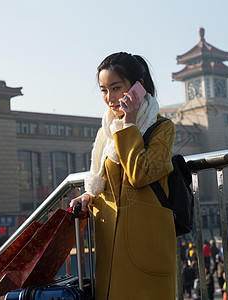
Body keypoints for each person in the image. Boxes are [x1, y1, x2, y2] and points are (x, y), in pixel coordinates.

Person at [70, 52, 176, 299]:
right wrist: (88, 196)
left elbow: (140, 174)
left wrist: (129, 124)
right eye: (104, 90)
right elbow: (107, 183)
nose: (110, 98)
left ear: (137, 87)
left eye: (116, 88)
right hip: (110, 247)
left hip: (145, 245)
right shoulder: (107, 132)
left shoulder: (161, 128)